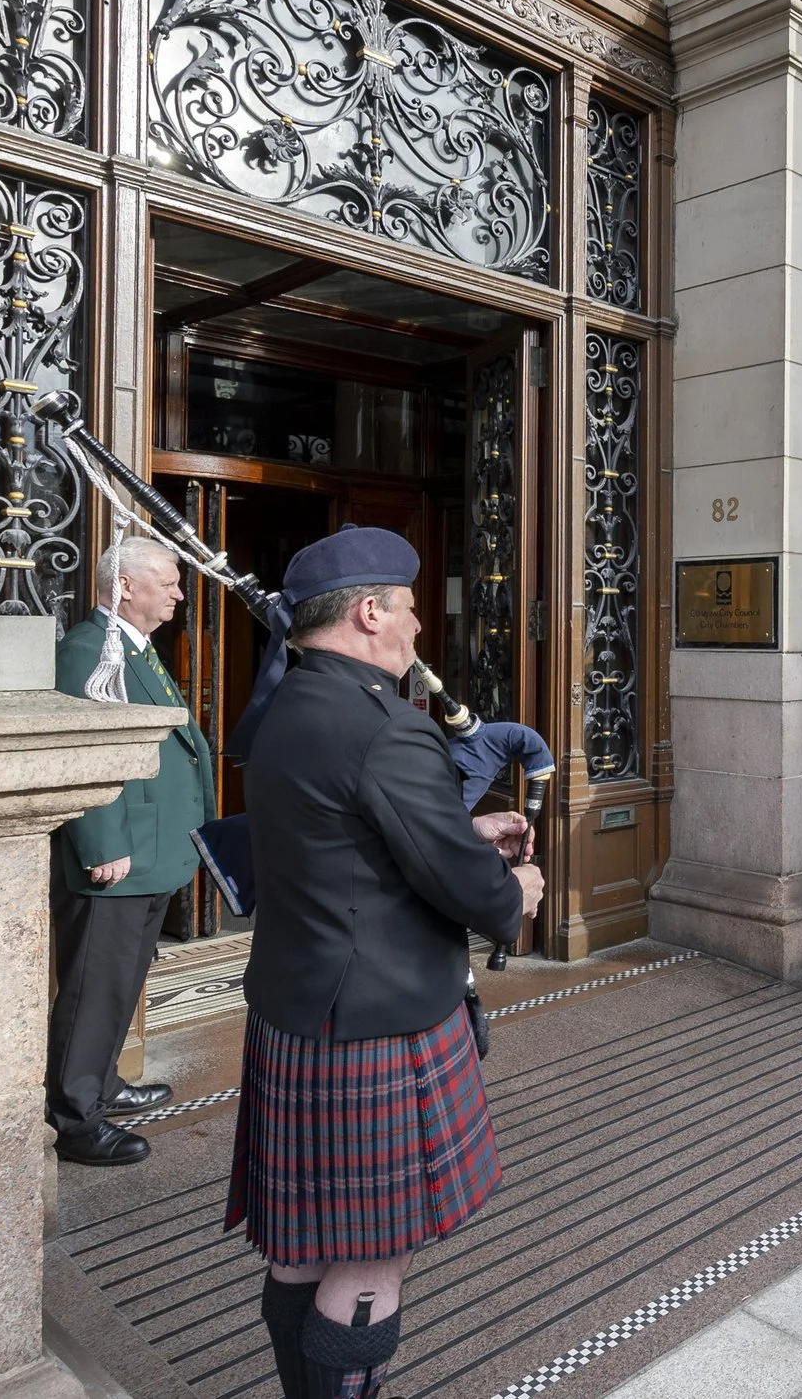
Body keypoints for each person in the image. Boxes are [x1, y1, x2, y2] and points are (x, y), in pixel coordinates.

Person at [225, 527, 544, 1399]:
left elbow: (346, 837)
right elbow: (465, 888)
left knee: (303, 1250)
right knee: (370, 1258)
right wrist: (514, 890)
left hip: (298, 1007)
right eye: (406, 609)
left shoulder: (284, 708)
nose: (416, 628)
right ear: (369, 612)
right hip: (381, 1022)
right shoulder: (386, 728)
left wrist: (461, 829)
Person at [48, 538, 213, 1168]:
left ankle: (102, 1083)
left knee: (121, 984)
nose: (178, 594)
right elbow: (81, 751)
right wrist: (103, 842)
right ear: (124, 586)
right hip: (118, 855)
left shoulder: (134, 647)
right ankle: (73, 1119)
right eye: (168, 582)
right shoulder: (90, 648)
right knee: (94, 989)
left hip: (150, 848)